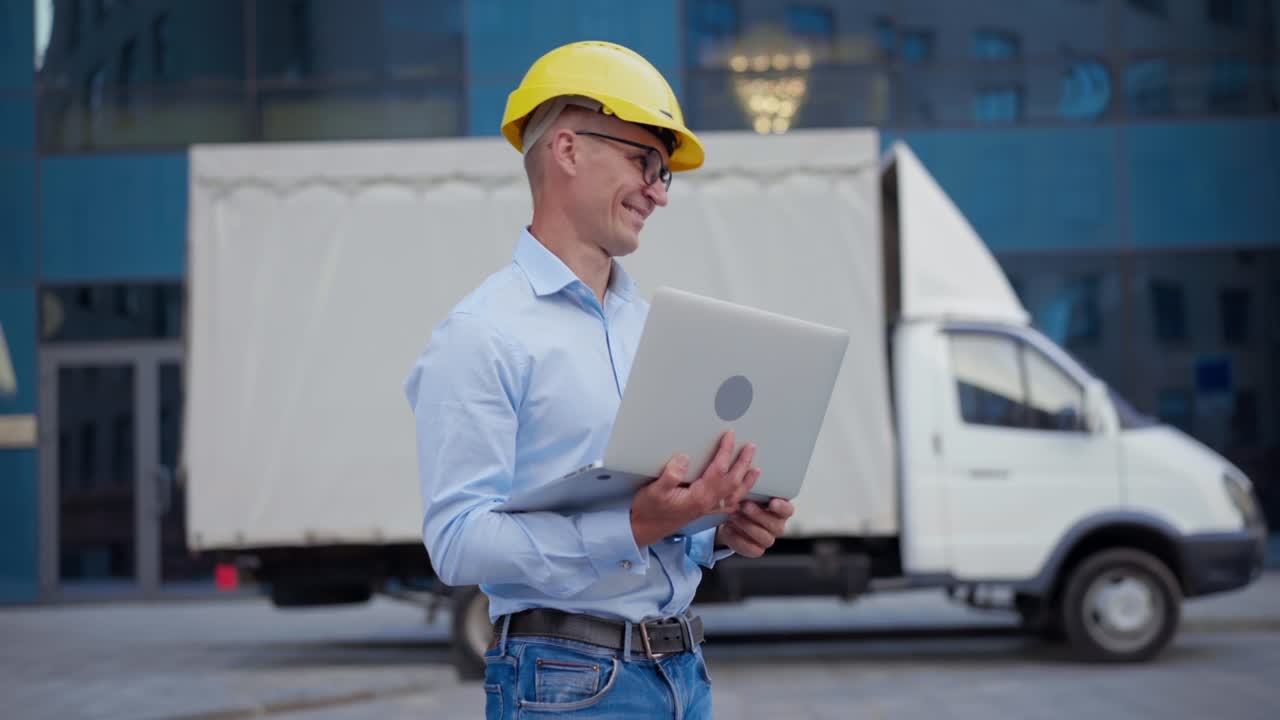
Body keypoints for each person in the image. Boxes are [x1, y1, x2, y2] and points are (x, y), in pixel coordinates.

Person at [403, 40, 795, 719]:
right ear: (568, 149)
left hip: (681, 673)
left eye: (664, 174)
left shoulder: (650, 328)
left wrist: (717, 529)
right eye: (645, 161)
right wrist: (634, 524)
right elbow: (458, 542)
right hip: (565, 686)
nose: (657, 191)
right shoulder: (482, 333)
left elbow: (651, 511)